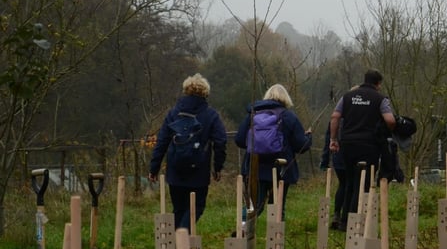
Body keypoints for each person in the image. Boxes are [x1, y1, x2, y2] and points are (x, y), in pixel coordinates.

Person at [148, 73, 227, 231]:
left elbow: (162, 141)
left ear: (185, 90)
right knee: (196, 207)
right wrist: (217, 168)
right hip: (199, 172)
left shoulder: (173, 113)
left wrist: (154, 168)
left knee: (178, 209)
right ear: (205, 93)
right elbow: (220, 141)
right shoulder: (211, 115)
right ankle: (182, 240)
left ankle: (177, 243)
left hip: (175, 170)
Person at [328, 69, 398, 227]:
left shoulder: (347, 97)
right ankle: (357, 221)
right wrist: (390, 129)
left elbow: (335, 117)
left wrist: (333, 139)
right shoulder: (380, 99)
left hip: (347, 144)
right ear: (378, 83)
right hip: (369, 145)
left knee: (350, 182)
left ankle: (344, 221)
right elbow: (390, 120)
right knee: (364, 183)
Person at [234, 83, 313, 220]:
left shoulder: (252, 115)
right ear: (286, 99)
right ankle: (276, 236)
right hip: (281, 168)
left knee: (254, 205)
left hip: (255, 168)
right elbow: (301, 146)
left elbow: (240, 140)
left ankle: (242, 229)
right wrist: (309, 137)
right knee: (277, 206)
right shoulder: (289, 117)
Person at [320, 123, 348, 229]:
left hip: (338, 156)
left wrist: (325, 160)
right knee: (351, 186)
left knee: (343, 184)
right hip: (352, 156)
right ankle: (346, 218)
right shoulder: (358, 114)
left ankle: (337, 214)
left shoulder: (336, 118)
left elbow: (328, 139)